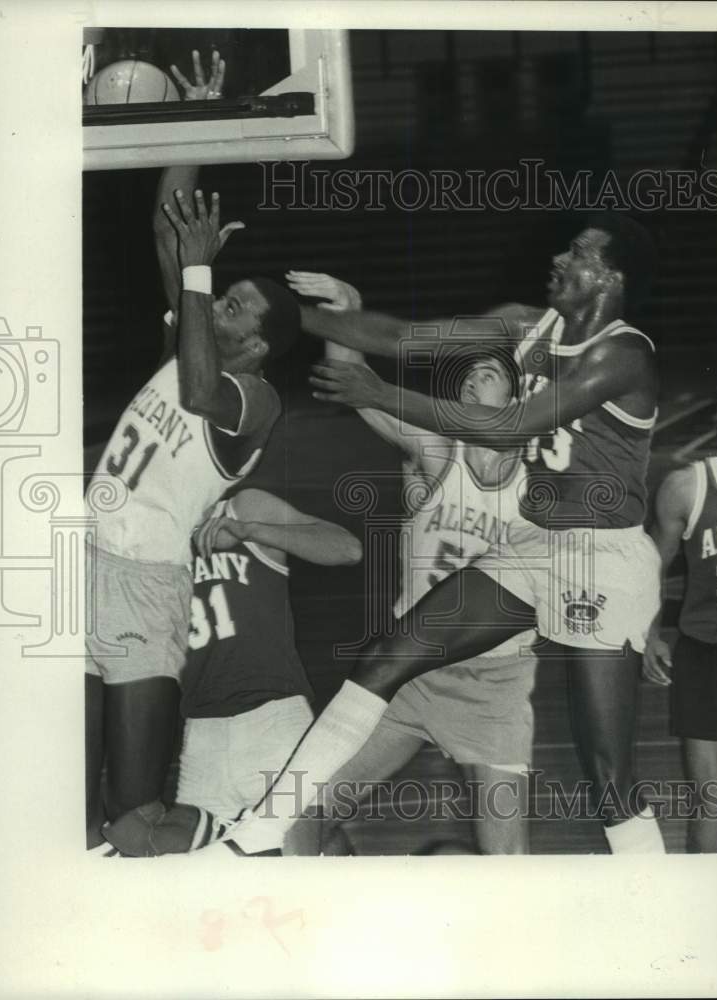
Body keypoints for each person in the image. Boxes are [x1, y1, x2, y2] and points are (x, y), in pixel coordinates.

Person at [111, 212, 667, 858]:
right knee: (386, 658)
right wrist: (281, 311)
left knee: (608, 776)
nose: (560, 258)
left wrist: (380, 393)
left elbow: (511, 426)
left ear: (610, 277)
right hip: (535, 548)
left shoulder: (622, 354)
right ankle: (260, 834)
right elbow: (401, 337)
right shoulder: (525, 324)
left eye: (577, 252)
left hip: (602, 561)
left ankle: (651, 888)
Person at [85, 51, 300, 852]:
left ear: (260, 343)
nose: (221, 304)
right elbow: (168, 224)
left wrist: (202, 273)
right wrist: (195, 121)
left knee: (135, 817)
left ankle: (242, 843)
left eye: (236, 306)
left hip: (145, 584)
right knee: (68, 807)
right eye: (224, 297)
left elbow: (203, 392)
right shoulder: (192, 337)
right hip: (82, 557)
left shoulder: (255, 398)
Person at [287, 272, 539, 855]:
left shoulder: (539, 479)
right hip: (410, 672)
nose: (474, 376)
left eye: (491, 373)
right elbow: (357, 384)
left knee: (508, 862)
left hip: (493, 684)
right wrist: (347, 308)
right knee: (300, 815)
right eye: (469, 371)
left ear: (517, 400)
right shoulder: (437, 450)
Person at [101, 487, 362, 856]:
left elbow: (348, 549)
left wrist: (251, 532)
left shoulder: (243, 508)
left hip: (273, 722)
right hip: (202, 739)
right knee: (181, 867)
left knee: (308, 860)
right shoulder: (150, 545)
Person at [642, 413, 717, 852]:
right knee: (710, 798)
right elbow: (652, 564)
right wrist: (650, 633)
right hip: (708, 649)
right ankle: (705, 889)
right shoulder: (688, 488)